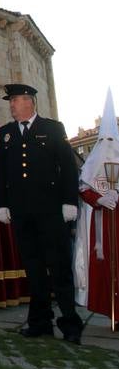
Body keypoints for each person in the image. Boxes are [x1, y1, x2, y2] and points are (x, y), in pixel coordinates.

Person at [0, 83, 83, 343]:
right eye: (10, 101)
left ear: (29, 101)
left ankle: (70, 324)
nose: (11, 105)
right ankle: (40, 321)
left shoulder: (53, 129)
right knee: (33, 268)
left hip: (51, 211)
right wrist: (1, 203)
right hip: (22, 212)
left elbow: (67, 168)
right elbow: (0, 173)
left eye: (15, 100)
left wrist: (69, 202)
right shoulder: (6, 134)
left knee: (59, 268)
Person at [74, 88, 119, 319]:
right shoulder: (91, 164)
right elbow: (83, 187)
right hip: (99, 224)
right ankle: (108, 309)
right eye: (103, 139)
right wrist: (99, 198)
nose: (107, 144)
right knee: (104, 267)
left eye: (111, 139)